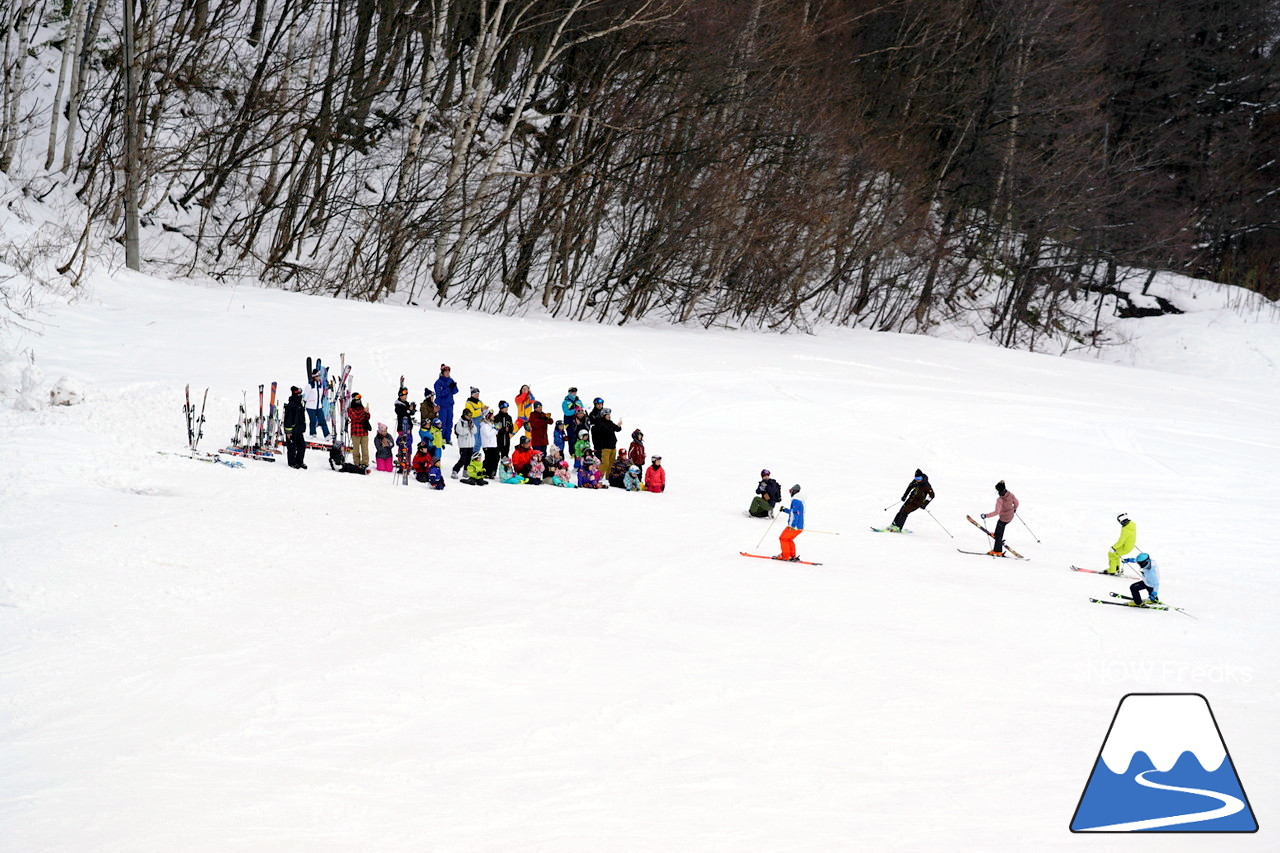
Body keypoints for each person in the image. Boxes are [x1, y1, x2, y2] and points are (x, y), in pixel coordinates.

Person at [980, 480, 1019, 557]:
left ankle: (997, 551)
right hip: (1011, 516)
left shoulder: (1000, 500)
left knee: (999, 532)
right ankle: (997, 534)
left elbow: (997, 512)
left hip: (1004, 518)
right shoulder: (1010, 494)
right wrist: (1014, 509)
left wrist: (986, 515)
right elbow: (1016, 502)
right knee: (1000, 527)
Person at [776, 484, 805, 561]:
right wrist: (785, 510)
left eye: (790, 491)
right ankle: (791, 555)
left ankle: (786, 556)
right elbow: (793, 512)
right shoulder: (799, 501)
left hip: (794, 526)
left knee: (783, 539)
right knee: (787, 539)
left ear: (794, 492)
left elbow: (796, 514)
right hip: (797, 526)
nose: (790, 493)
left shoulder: (795, 500)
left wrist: (793, 525)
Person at [283, 385, 308, 468]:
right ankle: (292, 462)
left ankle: (300, 461)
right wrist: (288, 432)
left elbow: (302, 417)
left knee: (302, 446)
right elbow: (287, 420)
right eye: (299, 394)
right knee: (292, 447)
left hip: (299, 430)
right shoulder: (291, 405)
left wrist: (303, 427)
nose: (301, 395)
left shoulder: (300, 404)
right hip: (292, 430)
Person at [592, 408, 623, 473]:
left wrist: (619, 425)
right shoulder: (600, 423)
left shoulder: (610, 422)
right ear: (603, 415)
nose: (609, 416)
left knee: (611, 463)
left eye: (609, 414)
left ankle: (609, 477)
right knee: (605, 463)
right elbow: (606, 431)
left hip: (613, 446)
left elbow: (617, 429)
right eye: (607, 414)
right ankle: (598, 476)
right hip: (605, 447)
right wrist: (615, 427)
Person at [434, 365, 459, 443]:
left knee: (449, 422)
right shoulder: (438, 382)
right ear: (442, 373)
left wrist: (454, 386)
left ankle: (448, 439)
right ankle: (441, 438)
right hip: (442, 406)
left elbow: (455, 391)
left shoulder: (450, 380)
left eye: (449, 372)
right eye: (446, 372)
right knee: (442, 423)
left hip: (450, 405)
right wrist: (449, 388)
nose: (448, 373)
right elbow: (440, 394)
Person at [347, 392, 371, 468]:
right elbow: (357, 418)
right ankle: (356, 463)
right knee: (356, 450)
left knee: (365, 450)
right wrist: (364, 413)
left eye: (359, 399)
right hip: (355, 432)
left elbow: (367, 417)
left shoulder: (362, 408)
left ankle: (365, 463)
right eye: (357, 400)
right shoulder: (350, 409)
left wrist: (367, 413)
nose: (359, 401)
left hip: (364, 432)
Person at [451, 413, 476, 478]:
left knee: (468, 459)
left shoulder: (471, 422)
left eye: (470, 415)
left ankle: (465, 470)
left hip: (470, 444)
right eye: (468, 415)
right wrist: (468, 428)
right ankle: (455, 470)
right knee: (463, 459)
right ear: (465, 415)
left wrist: (472, 427)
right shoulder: (460, 422)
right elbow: (460, 432)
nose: (470, 417)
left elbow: (475, 431)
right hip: (463, 444)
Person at [479, 409, 499, 477]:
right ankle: (487, 472)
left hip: (493, 444)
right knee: (489, 459)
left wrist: (496, 429)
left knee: (496, 458)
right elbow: (488, 435)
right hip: (487, 445)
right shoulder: (484, 425)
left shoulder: (491, 424)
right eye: (492, 415)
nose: (493, 416)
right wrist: (495, 429)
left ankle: (492, 472)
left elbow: (494, 433)